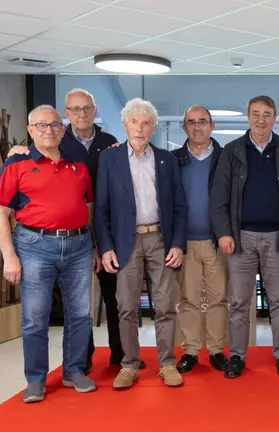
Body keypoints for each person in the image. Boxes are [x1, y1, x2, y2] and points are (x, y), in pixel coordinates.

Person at [6, 89, 134, 372]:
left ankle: (120, 354)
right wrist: (14, 151)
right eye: (75, 109)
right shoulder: (56, 140)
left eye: (87, 108)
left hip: (104, 228)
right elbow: (30, 161)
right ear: (66, 114)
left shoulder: (109, 142)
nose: (82, 114)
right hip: (63, 232)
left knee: (114, 296)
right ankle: (82, 359)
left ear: (95, 110)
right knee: (75, 306)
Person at [0, 105, 97, 402]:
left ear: (63, 130)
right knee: (35, 318)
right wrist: (9, 256)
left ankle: (73, 370)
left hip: (78, 247)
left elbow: (88, 205)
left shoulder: (78, 165)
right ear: (30, 130)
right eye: (41, 125)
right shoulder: (16, 164)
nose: (48, 130)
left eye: (54, 125)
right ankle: (36, 378)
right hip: (34, 246)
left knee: (80, 315)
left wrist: (91, 244)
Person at [209, 95, 279, 378]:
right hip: (241, 238)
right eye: (255, 113)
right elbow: (218, 197)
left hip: (278, 237)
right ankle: (237, 356)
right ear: (248, 116)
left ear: (274, 118)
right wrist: (223, 233)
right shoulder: (232, 151)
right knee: (239, 302)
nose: (261, 119)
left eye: (266, 114)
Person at [95, 98, 187, 389]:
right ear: (125, 125)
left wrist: (177, 244)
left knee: (166, 306)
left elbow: (179, 206)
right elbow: (101, 208)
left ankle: (167, 363)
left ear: (153, 128)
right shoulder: (109, 159)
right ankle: (129, 365)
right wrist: (106, 247)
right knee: (126, 306)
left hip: (161, 239)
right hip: (126, 242)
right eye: (134, 122)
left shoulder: (167, 160)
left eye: (146, 123)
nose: (140, 128)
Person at [172, 106, 228, 373]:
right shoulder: (173, 159)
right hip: (185, 242)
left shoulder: (225, 158)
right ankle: (191, 350)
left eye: (202, 121)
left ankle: (216, 350)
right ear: (184, 127)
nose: (197, 127)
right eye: (191, 122)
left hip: (218, 241)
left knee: (219, 299)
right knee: (189, 299)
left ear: (212, 125)